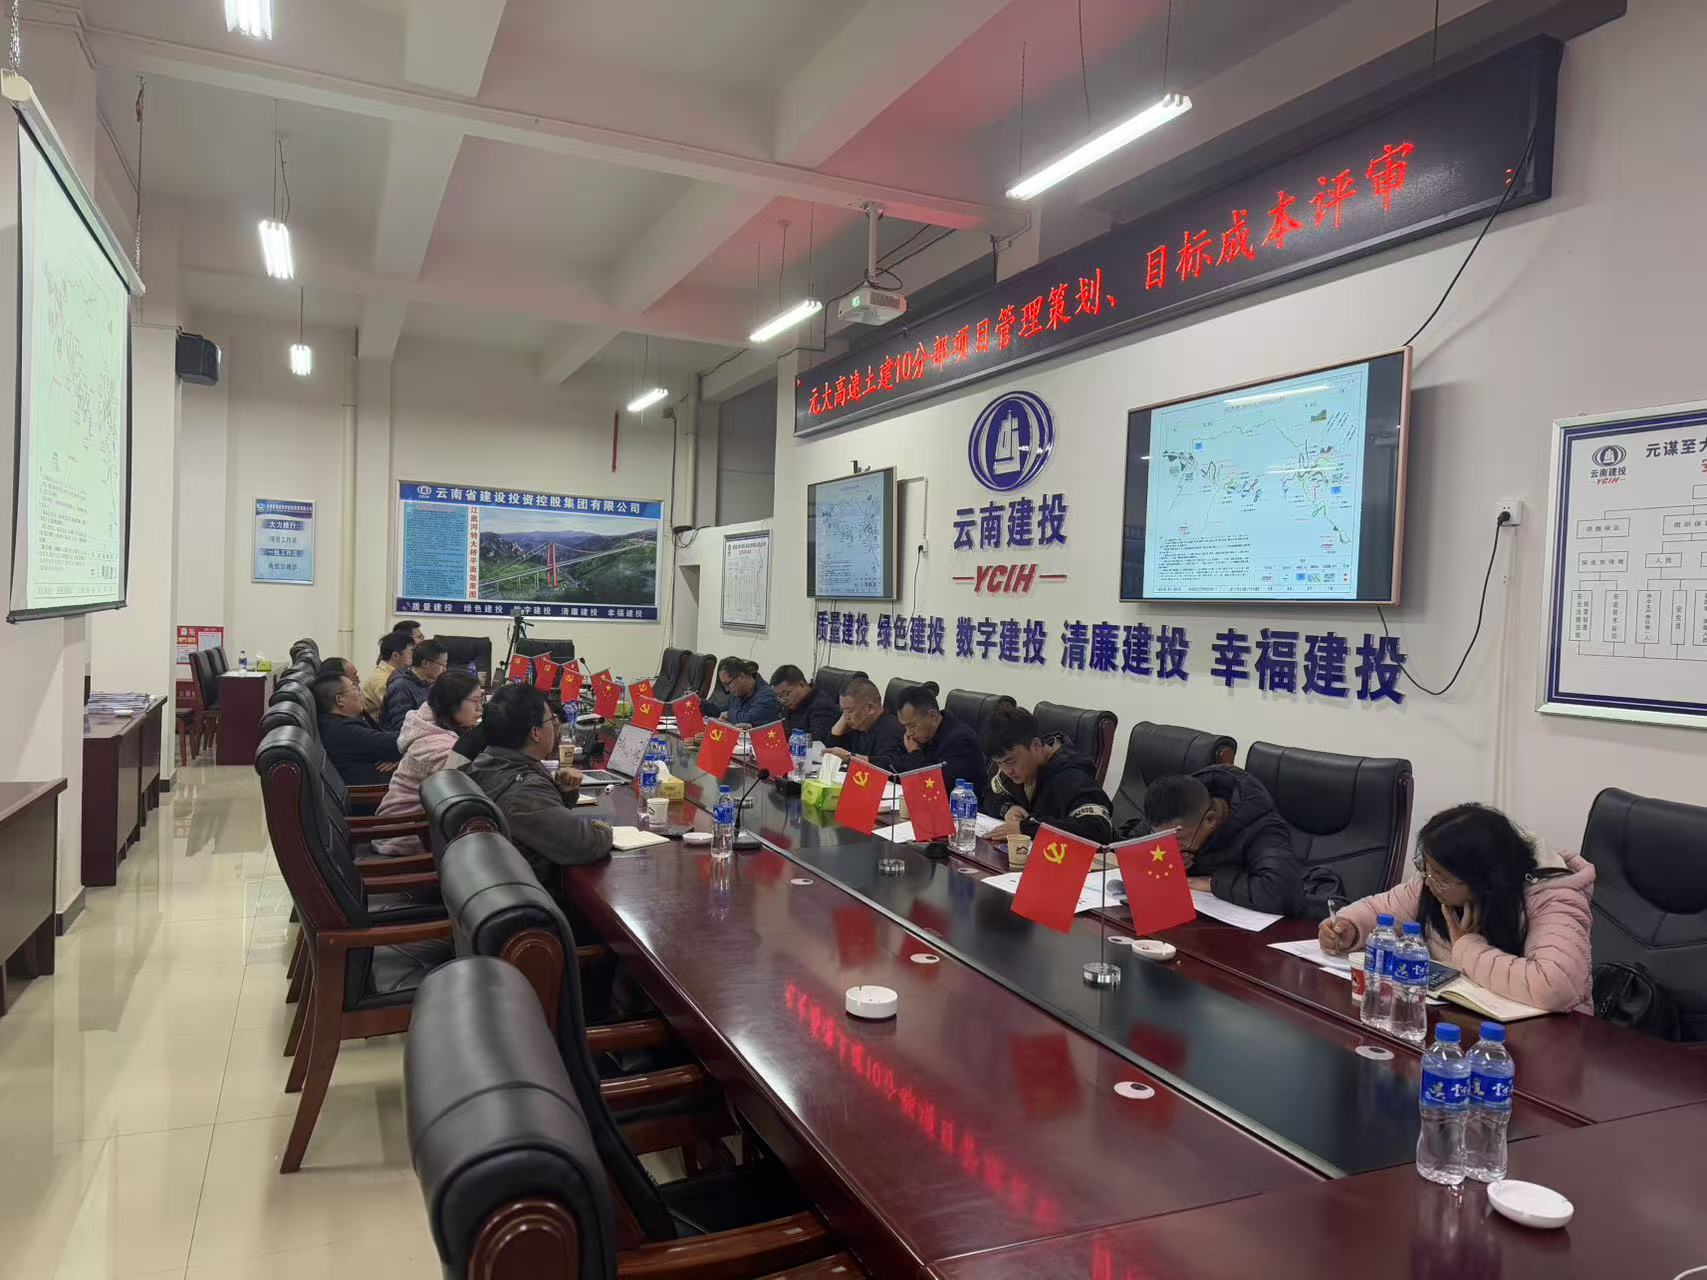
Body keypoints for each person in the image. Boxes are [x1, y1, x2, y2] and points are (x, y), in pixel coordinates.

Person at [1319, 803, 1595, 1012]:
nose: (1429, 881)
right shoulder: (1431, 882)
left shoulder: (1553, 899)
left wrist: (1469, 948)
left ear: (1486, 878)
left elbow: (1554, 985)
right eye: (1426, 868)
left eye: (1440, 876)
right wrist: (1350, 926)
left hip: (1546, 1044)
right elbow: (1381, 909)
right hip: (1457, 1022)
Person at [466, 684, 613, 886]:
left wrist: (564, 792)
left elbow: (541, 819)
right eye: (552, 720)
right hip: (529, 894)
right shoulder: (523, 790)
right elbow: (584, 844)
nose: (556, 727)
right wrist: (605, 827)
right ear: (535, 733)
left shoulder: (490, 760)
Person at [1142, 768, 1302, 915]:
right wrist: (1160, 860)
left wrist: (1212, 883)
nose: (1171, 848)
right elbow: (1134, 839)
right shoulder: (1173, 804)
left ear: (1210, 820)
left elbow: (1283, 892)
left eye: (1179, 841)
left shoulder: (1260, 826)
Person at [370, 670, 483, 856]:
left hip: (405, 823)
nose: (480, 709)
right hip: (404, 834)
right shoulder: (436, 747)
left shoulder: (427, 723)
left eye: (481, 700)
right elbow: (465, 787)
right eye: (475, 701)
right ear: (452, 703)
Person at [983, 708, 1113, 846]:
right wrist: (1007, 808)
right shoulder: (1015, 769)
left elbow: (1098, 828)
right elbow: (989, 794)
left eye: (1011, 761)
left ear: (1036, 745)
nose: (1007, 771)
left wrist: (1027, 828)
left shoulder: (1072, 776)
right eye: (999, 763)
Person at [312, 672, 401, 787]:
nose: (360, 692)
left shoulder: (332, 722)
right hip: (374, 794)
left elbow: (390, 745)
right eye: (354, 688)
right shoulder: (344, 731)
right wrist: (399, 756)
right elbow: (395, 743)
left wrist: (395, 757)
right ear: (340, 700)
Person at [895, 686, 984, 789]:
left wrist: (914, 754)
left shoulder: (962, 741)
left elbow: (937, 785)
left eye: (912, 726)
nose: (908, 732)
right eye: (905, 726)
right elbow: (897, 768)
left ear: (932, 716)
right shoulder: (920, 736)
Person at [825, 677, 907, 772]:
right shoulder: (858, 725)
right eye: (843, 711)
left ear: (870, 708)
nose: (846, 717)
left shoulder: (892, 729)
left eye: (849, 710)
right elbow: (832, 752)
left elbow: (889, 767)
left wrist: (851, 758)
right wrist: (846, 714)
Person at [382, 638, 448, 733]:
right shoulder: (401, 686)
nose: (445, 669)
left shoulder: (428, 682)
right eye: (443, 664)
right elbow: (400, 726)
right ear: (425, 663)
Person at [771, 664, 838, 743]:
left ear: (802, 685)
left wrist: (790, 739)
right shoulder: (791, 703)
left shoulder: (822, 705)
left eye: (787, 693)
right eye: (779, 696)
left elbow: (817, 738)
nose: (783, 700)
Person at [716, 657, 783, 727]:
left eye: (727, 684)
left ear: (741, 677)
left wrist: (729, 714)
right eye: (724, 685)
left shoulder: (767, 695)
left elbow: (749, 720)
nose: (727, 689)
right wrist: (708, 706)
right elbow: (723, 711)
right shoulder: (737, 692)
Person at [363, 632, 413, 717]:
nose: (414, 655)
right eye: (410, 652)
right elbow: (397, 709)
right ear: (395, 655)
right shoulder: (381, 679)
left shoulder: (400, 673)